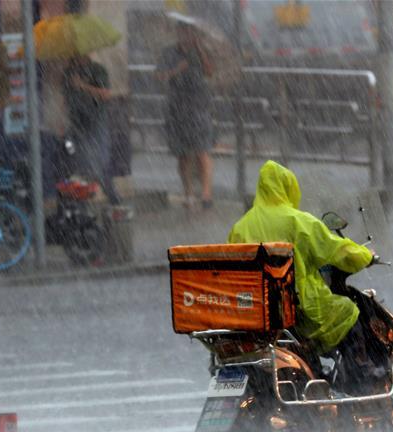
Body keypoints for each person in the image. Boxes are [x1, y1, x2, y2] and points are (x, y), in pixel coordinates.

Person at [229, 161, 376, 377]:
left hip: (255, 311)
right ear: (289, 189)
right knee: (348, 312)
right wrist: (366, 255)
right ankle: (360, 377)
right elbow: (337, 250)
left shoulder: (240, 227)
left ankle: (314, 372)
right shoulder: (298, 222)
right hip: (298, 308)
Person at [156, 22, 215, 210]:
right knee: (183, 154)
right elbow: (159, 76)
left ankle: (206, 194)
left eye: (190, 32)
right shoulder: (169, 53)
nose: (186, 35)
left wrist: (199, 50)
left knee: (202, 149)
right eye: (183, 31)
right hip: (177, 106)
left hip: (199, 105)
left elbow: (209, 72)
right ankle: (188, 193)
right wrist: (177, 69)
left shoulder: (200, 51)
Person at [64, 54, 122, 206]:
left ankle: (114, 200)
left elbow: (106, 94)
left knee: (100, 164)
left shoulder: (98, 70)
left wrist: (82, 86)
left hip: (96, 123)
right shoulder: (69, 72)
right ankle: (81, 204)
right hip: (77, 125)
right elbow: (67, 100)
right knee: (77, 164)